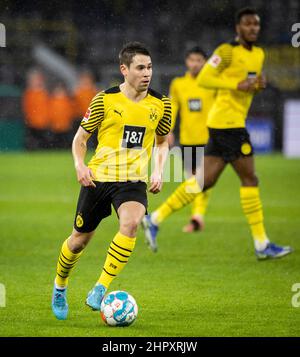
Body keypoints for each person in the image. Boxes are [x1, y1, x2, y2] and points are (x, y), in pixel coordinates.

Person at [143, 8, 293, 260]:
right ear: (238, 28)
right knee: (250, 179)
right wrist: (237, 84)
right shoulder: (226, 52)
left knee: (204, 181)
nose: (253, 28)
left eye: (256, 24)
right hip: (228, 124)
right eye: (247, 24)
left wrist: (256, 87)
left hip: (228, 123)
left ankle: (155, 219)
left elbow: (246, 87)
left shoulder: (258, 54)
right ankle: (261, 244)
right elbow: (205, 79)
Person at [51, 42, 172, 320]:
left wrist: (158, 170)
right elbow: (80, 140)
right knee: (78, 241)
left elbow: (163, 143)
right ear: (124, 69)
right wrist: (80, 165)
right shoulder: (104, 99)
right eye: (140, 67)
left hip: (132, 182)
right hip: (98, 179)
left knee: (130, 223)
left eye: (150, 67)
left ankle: (100, 287)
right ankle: (60, 286)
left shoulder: (162, 104)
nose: (147, 73)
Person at [142, 47, 215, 252]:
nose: (195, 64)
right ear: (186, 62)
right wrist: (169, 130)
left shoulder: (211, 83)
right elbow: (172, 107)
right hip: (189, 140)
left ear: (205, 62)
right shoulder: (179, 84)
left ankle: (196, 216)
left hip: (209, 139)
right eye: (192, 60)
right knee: (197, 180)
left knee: (202, 180)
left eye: (199, 60)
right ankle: (195, 216)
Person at [22, 69, 50, 150]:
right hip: (32, 123)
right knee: (33, 142)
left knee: (44, 142)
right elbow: (27, 108)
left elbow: (47, 108)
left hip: (43, 123)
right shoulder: (28, 93)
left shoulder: (44, 93)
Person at [49, 83, 74, 149]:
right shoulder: (52, 101)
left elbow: (70, 112)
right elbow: (50, 112)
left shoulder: (67, 101)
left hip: (65, 126)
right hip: (55, 126)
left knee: (65, 141)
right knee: (56, 142)